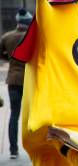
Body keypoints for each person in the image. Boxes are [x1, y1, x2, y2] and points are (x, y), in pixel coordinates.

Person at [0, 8, 32, 159]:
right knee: (33, 117)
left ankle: (13, 150)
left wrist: (10, 59)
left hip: (13, 80)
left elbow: (2, 55)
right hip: (29, 82)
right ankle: (34, 148)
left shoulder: (7, 37)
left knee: (14, 115)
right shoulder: (31, 37)